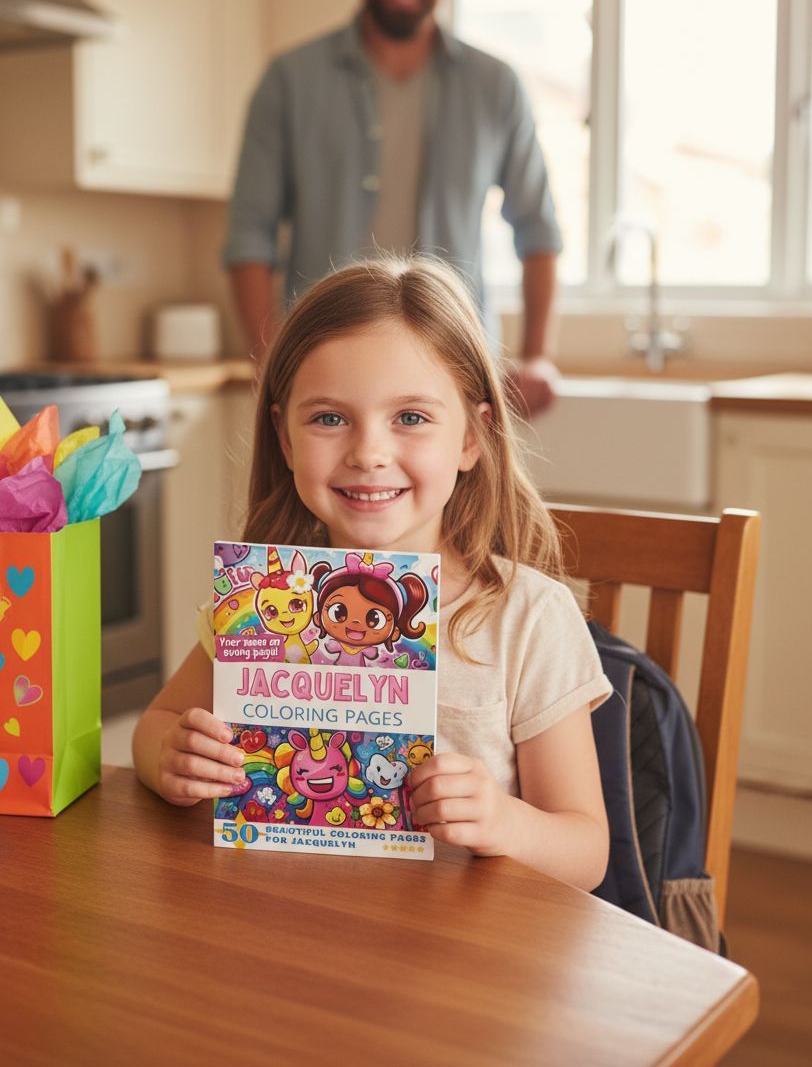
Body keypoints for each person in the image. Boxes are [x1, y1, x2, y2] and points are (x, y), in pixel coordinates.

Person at [133, 257, 611, 888]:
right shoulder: (263, 605)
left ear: (472, 436)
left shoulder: (529, 620)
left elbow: (586, 850)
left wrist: (506, 822)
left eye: (410, 418)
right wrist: (172, 758)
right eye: (329, 418)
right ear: (284, 438)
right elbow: (154, 727)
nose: (369, 453)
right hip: (288, 923)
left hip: (464, 957)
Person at [225, 0, 562, 417]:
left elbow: (539, 229)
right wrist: (271, 370)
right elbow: (248, 239)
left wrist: (538, 355)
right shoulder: (290, 81)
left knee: (465, 509)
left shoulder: (496, 86)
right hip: (322, 376)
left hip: (458, 376)